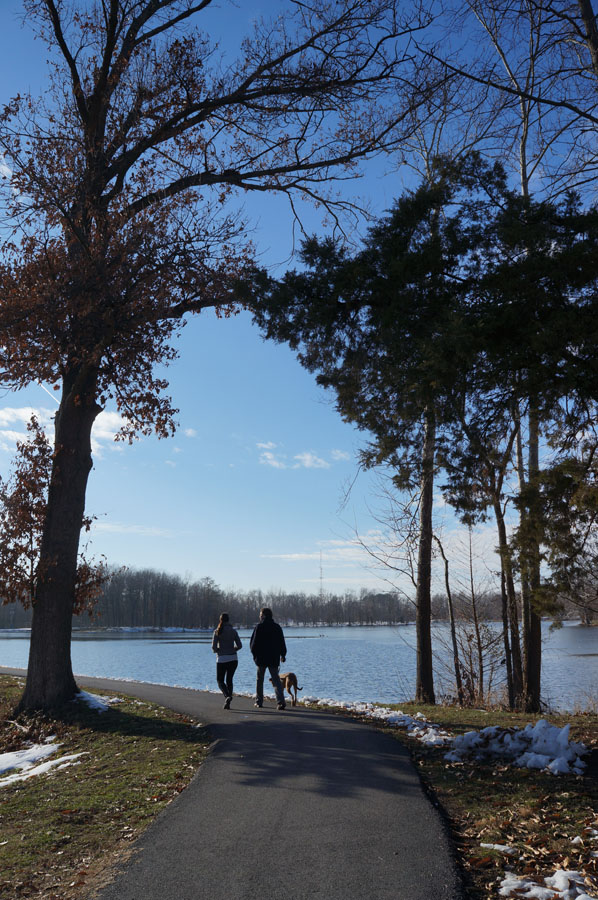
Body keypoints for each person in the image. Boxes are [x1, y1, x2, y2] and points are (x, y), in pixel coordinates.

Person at [250, 607, 287, 710]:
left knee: (260, 680)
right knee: (276, 680)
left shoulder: (259, 627)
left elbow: (253, 644)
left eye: (260, 614)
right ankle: (280, 702)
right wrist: (283, 655)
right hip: (273, 658)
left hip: (261, 658)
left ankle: (259, 702)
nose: (259, 616)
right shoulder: (277, 627)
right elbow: (282, 642)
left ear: (263, 616)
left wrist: (255, 656)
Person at [212, 612, 242, 709]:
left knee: (220, 680)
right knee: (229, 680)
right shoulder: (233, 631)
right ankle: (228, 703)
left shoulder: (217, 631)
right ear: (228, 620)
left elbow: (214, 648)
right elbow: (240, 645)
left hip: (222, 659)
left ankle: (227, 696)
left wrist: (218, 650)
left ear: (220, 620)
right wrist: (233, 649)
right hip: (233, 659)